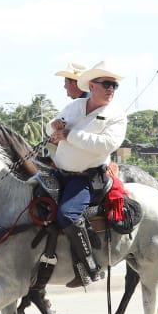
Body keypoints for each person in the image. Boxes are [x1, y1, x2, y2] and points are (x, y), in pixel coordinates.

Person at [47, 63, 128, 286]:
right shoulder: (75, 105)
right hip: (59, 172)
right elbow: (49, 127)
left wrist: (69, 134)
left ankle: (90, 267)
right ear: (92, 86)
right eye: (107, 84)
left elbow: (107, 144)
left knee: (68, 215)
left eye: (114, 85)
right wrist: (54, 126)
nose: (111, 89)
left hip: (86, 178)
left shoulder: (117, 115)